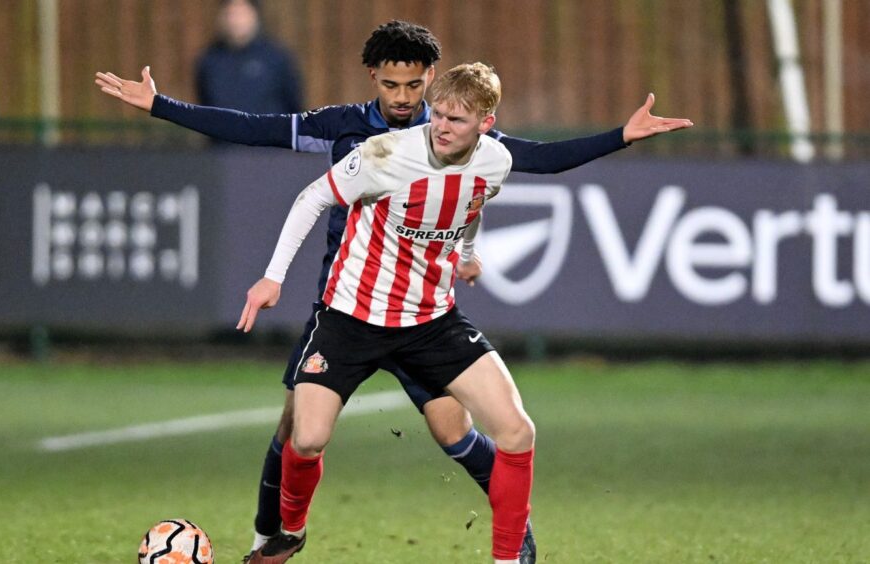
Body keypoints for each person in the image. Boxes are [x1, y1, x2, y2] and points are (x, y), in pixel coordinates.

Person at [94, 20, 692, 563]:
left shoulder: (467, 138)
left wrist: (466, 251)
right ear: (375, 80)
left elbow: (512, 174)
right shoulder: (357, 135)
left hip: (423, 310)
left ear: (431, 82)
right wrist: (162, 106)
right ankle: (269, 539)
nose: (403, 99)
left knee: (454, 432)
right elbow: (255, 130)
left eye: (413, 86)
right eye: (391, 85)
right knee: (296, 430)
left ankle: (515, 531)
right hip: (348, 299)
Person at [239, 61, 548, 563]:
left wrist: (466, 257)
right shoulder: (385, 152)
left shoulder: (496, 162)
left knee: (517, 430)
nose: (443, 127)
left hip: (430, 321)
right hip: (350, 317)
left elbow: (468, 206)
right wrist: (273, 277)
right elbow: (313, 197)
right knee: (308, 437)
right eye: (439, 114)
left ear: (486, 124)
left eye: (457, 120)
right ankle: (290, 533)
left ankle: (509, 557)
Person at [196, 0, 302, 115]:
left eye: (241, 14)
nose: (235, 21)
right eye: (230, 14)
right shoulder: (210, 60)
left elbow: (293, 104)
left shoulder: (276, 58)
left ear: (254, 15)